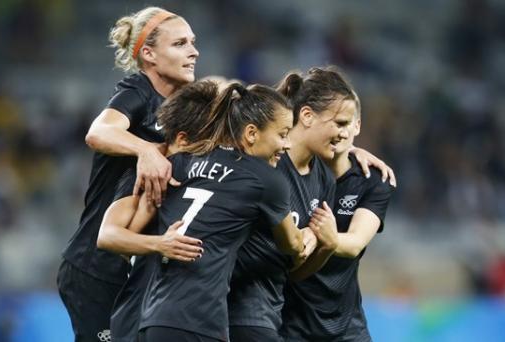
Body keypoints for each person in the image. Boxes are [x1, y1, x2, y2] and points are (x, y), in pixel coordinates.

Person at [56, 6, 199, 341]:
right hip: (96, 265)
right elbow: (98, 133)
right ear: (148, 54)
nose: (194, 51)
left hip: (136, 265)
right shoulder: (138, 91)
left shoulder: (180, 106)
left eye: (193, 42)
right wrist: (147, 149)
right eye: (180, 43)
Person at [228, 66, 359, 341]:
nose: (346, 134)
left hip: (271, 316)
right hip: (231, 310)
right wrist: (301, 239)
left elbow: (294, 273)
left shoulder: (324, 178)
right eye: (340, 123)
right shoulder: (266, 160)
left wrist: (326, 246)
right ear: (308, 116)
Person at [96, 80, 223, 342]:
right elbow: (108, 236)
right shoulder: (144, 173)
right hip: (138, 311)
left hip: (185, 317)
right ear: (182, 138)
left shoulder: (211, 177)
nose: (214, 146)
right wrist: (160, 244)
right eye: (209, 138)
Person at [281, 89, 395, 341]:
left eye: (347, 123)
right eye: (336, 123)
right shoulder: (290, 172)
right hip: (291, 324)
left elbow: (355, 243)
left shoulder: (373, 181)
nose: (341, 132)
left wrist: (323, 237)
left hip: (346, 328)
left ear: (358, 126)